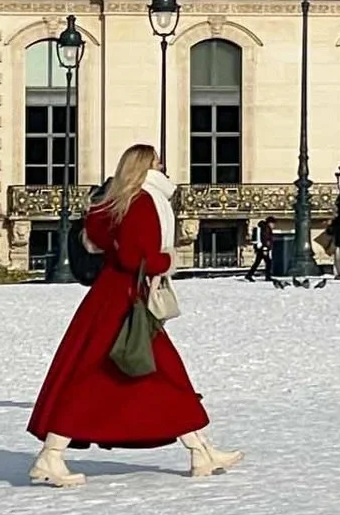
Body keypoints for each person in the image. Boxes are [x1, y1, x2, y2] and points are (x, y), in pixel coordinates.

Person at [28, 142, 242, 487]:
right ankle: (51, 455)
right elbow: (134, 258)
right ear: (146, 166)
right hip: (127, 298)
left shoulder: (112, 203)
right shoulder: (141, 203)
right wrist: (166, 261)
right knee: (128, 375)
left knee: (146, 374)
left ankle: (201, 449)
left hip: (109, 297)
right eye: (157, 161)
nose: (163, 166)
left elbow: (96, 238)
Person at [246, 215, 275, 282]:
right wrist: (265, 248)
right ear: (269, 223)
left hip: (261, 248)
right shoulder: (266, 229)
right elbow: (265, 238)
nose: (273, 225)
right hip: (263, 248)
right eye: (273, 223)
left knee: (258, 262)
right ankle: (267, 276)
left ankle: (249, 275)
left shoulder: (263, 227)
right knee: (268, 262)